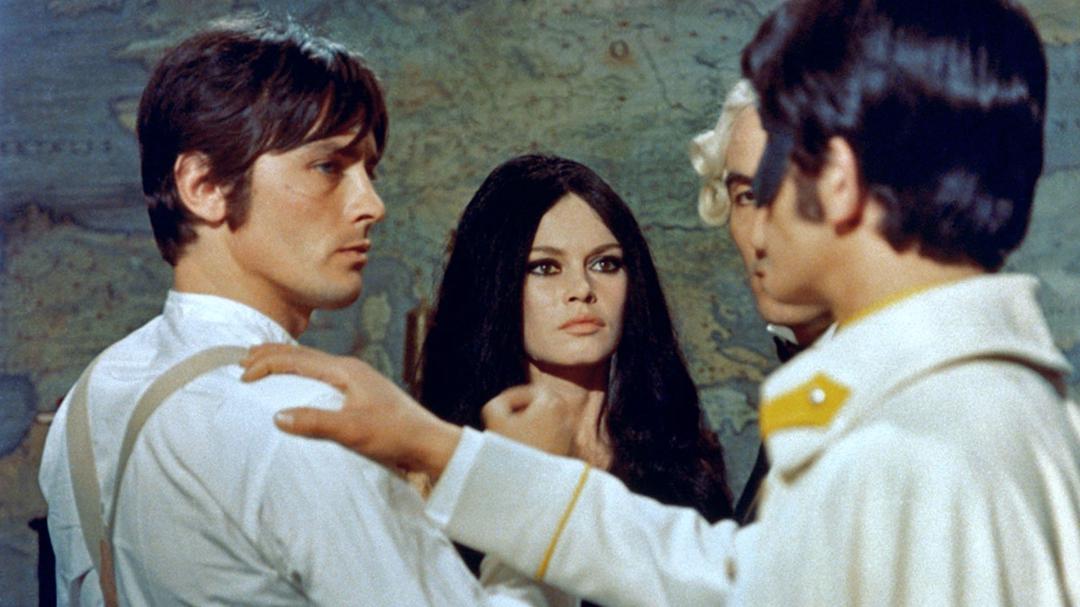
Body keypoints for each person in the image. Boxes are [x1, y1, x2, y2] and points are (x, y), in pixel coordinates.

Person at [244, 0, 1080, 604]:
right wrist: (443, 446)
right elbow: (728, 582)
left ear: (839, 182)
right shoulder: (958, 409)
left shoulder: (922, 442)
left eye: (765, 181)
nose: (749, 220)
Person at [38, 19, 558, 606]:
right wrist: (531, 487)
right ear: (203, 185)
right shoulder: (309, 424)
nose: (372, 205)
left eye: (369, 171)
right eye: (328, 167)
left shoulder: (95, 393)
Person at [417, 154, 732, 581]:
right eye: (545, 267)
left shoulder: (683, 462)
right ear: (495, 284)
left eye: (605, 264)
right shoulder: (438, 475)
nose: (582, 289)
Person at [689, 79, 834, 521]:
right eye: (747, 197)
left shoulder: (908, 406)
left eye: (794, 193)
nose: (759, 236)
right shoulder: (805, 377)